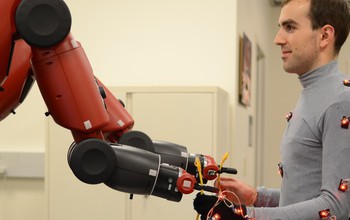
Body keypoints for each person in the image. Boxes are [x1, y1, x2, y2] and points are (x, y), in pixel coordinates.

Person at [193, 0, 350, 219]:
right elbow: (304, 195)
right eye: (280, 28)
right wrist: (257, 197)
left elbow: (336, 206)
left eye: (290, 27)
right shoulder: (313, 94)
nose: (278, 39)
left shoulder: (340, 100)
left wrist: (246, 215)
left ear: (324, 36)